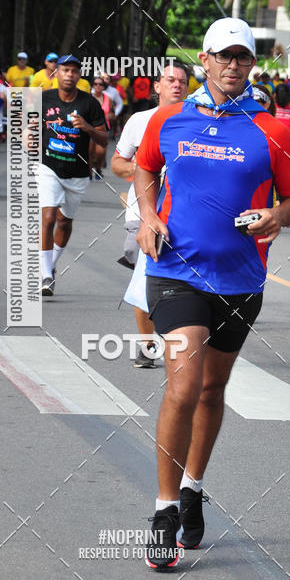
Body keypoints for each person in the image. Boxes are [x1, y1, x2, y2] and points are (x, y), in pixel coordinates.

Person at [135, 17, 290, 569]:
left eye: (243, 57)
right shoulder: (169, 118)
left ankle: (192, 487)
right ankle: (163, 512)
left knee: (212, 391)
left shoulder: (273, 129)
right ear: (203, 61)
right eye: (223, 56)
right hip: (177, 273)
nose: (233, 65)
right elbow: (143, 169)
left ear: (252, 64)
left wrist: (277, 214)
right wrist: (144, 215)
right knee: (183, 388)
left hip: (241, 281)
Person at [111, 61, 189, 367]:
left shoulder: (195, 121)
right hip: (141, 211)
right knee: (143, 279)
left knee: (168, 279)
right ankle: (147, 343)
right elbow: (118, 164)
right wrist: (144, 169)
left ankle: (172, 336)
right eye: (170, 80)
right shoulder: (139, 121)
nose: (176, 85)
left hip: (180, 213)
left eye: (182, 81)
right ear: (157, 86)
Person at [38, 55, 108, 296]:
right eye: (65, 70)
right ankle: (46, 275)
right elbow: (26, 124)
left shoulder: (89, 104)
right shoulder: (43, 98)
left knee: (65, 221)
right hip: (48, 165)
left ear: (79, 76)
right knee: (48, 218)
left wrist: (87, 128)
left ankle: (51, 265)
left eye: (74, 71)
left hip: (77, 171)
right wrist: (27, 134)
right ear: (56, 73)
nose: (69, 74)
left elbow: (103, 139)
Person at [90, 76, 114, 177]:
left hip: (103, 128)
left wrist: (111, 116)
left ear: (104, 86)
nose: (98, 86)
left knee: (100, 152)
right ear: (93, 86)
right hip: (90, 128)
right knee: (90, 152)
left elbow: (113, 114)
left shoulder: (108, 99)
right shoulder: (88, 98)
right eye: (95, 84)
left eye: (100, 84)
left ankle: (98, 168)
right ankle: (89, 172)